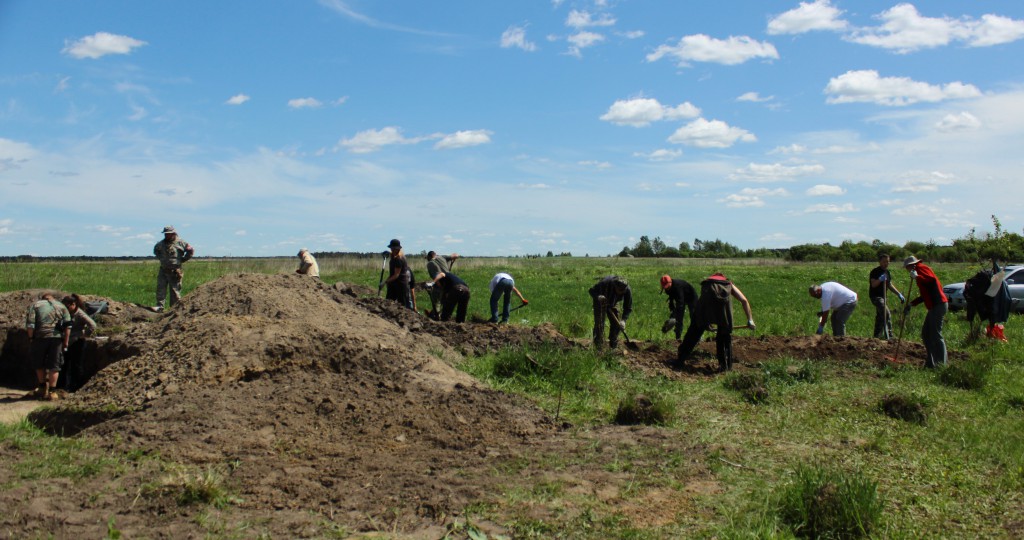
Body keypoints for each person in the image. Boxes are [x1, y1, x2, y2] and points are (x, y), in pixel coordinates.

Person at [676, 273, 754, 372]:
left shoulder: (707, 284)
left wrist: (705, 322)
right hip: (723, 310)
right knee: (724, 336)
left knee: (694, 331)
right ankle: (725, 367)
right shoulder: (728, 284)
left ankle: (680, 360)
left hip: (705, 303)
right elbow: (744, 300)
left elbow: (706, 305)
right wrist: (750, 320)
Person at [902, 255, 948, 368]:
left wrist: (918, 277)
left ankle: (941, 364)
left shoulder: (921, 268)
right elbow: (925, 294)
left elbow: (931, 281)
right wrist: (912, 304)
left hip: (938, 304)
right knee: (926, 334)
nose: (907, 270)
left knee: (936, 335)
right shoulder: (917, 273)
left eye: (907, 268)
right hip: (933, 306)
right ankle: (930, 362)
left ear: (911, 266)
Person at [24, 293, 71, 400]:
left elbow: (30, 324)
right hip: (56, 338)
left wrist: (31, 338)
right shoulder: (61, 306)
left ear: (42, 298)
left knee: (39, 362)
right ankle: (52, 392)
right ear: (53, 298)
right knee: (55, 365)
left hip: (40, 338)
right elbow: (68, 325)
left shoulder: (35, 305)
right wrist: (66, 341)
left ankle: (41, 387)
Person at [153, 225, 194, 312]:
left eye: (169, 234)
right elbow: (156, 251)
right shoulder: (160, 244)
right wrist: (162, 259)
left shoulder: (181, 243)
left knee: (175, 292)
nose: (167, 235)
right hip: (163, 270)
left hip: (175, 271)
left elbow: (190, 251)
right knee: (161, 290)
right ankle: (159, 308)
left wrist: (183, 260)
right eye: (165, 234)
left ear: (173, 233)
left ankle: (173, 311)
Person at [60, 294, 96, 392]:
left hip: (77, 342)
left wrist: (83, 334)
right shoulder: (66, 313)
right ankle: (62, 386)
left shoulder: (80, 314)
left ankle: (75, 386)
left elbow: (92, 325)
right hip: (66, 341)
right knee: (64, 364)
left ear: (73, 304)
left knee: (76, 365)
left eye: (67, 306)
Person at [588, 276, 632, 350]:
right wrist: (598, 296)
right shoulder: (604, 284)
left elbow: (628, 307)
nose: (621, 292)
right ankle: (598, 346)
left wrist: (624, 320)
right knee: (599, 324)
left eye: (623, 291)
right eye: (620, 290)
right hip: (600, 301)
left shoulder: (627, 290)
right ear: (615, 286)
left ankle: (613, 344)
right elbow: (591, 290)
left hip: (614, 302)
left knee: (617, 323)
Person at [868, 253, 905, 340]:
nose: (886, 264)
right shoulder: (875, 271)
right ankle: (889, 335)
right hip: (876, 297)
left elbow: (889, 285)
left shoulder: (887, 272)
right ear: (880, 262)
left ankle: (876, 337)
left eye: (888, 262)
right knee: (886, 313)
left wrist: (899, 294)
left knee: (880, 316)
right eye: (884, 262)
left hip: (883, 297)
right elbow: (873, 284)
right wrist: (880, 280)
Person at [660, 275, 697, 340]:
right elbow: (671, 300)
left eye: (667, 286)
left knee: (693, 317)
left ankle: (697, 337)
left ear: (670, 282)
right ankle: (678, 337)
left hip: (691, 297)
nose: (666, 288)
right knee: (678, 319)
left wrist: (675, 314)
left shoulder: (678, 286)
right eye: (665, 287)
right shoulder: (667, 289)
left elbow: (680, 302)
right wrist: (672, 313)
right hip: (680, 299)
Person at [425, 251, 458, 317]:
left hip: (441, 282)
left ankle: (436, 315)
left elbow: (437, 275)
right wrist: (453, 258)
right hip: (450, 282)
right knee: (445, 300)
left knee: (436, 299)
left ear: (429, 256)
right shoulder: (442, 257)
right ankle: (443, 314)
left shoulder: (430, 263)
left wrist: (438, 285)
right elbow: (456, 255)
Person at [382, 239, 412, 309]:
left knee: (402, 305)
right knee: (388, 302)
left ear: (397, 248)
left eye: (393, 248)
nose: (391, 249)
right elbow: (392, 254)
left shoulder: (399, 259)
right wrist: (387, 253)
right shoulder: (394, 255)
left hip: (400, 284)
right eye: (391, 248)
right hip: (393, 284)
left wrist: (385, 282)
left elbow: (396, 275)